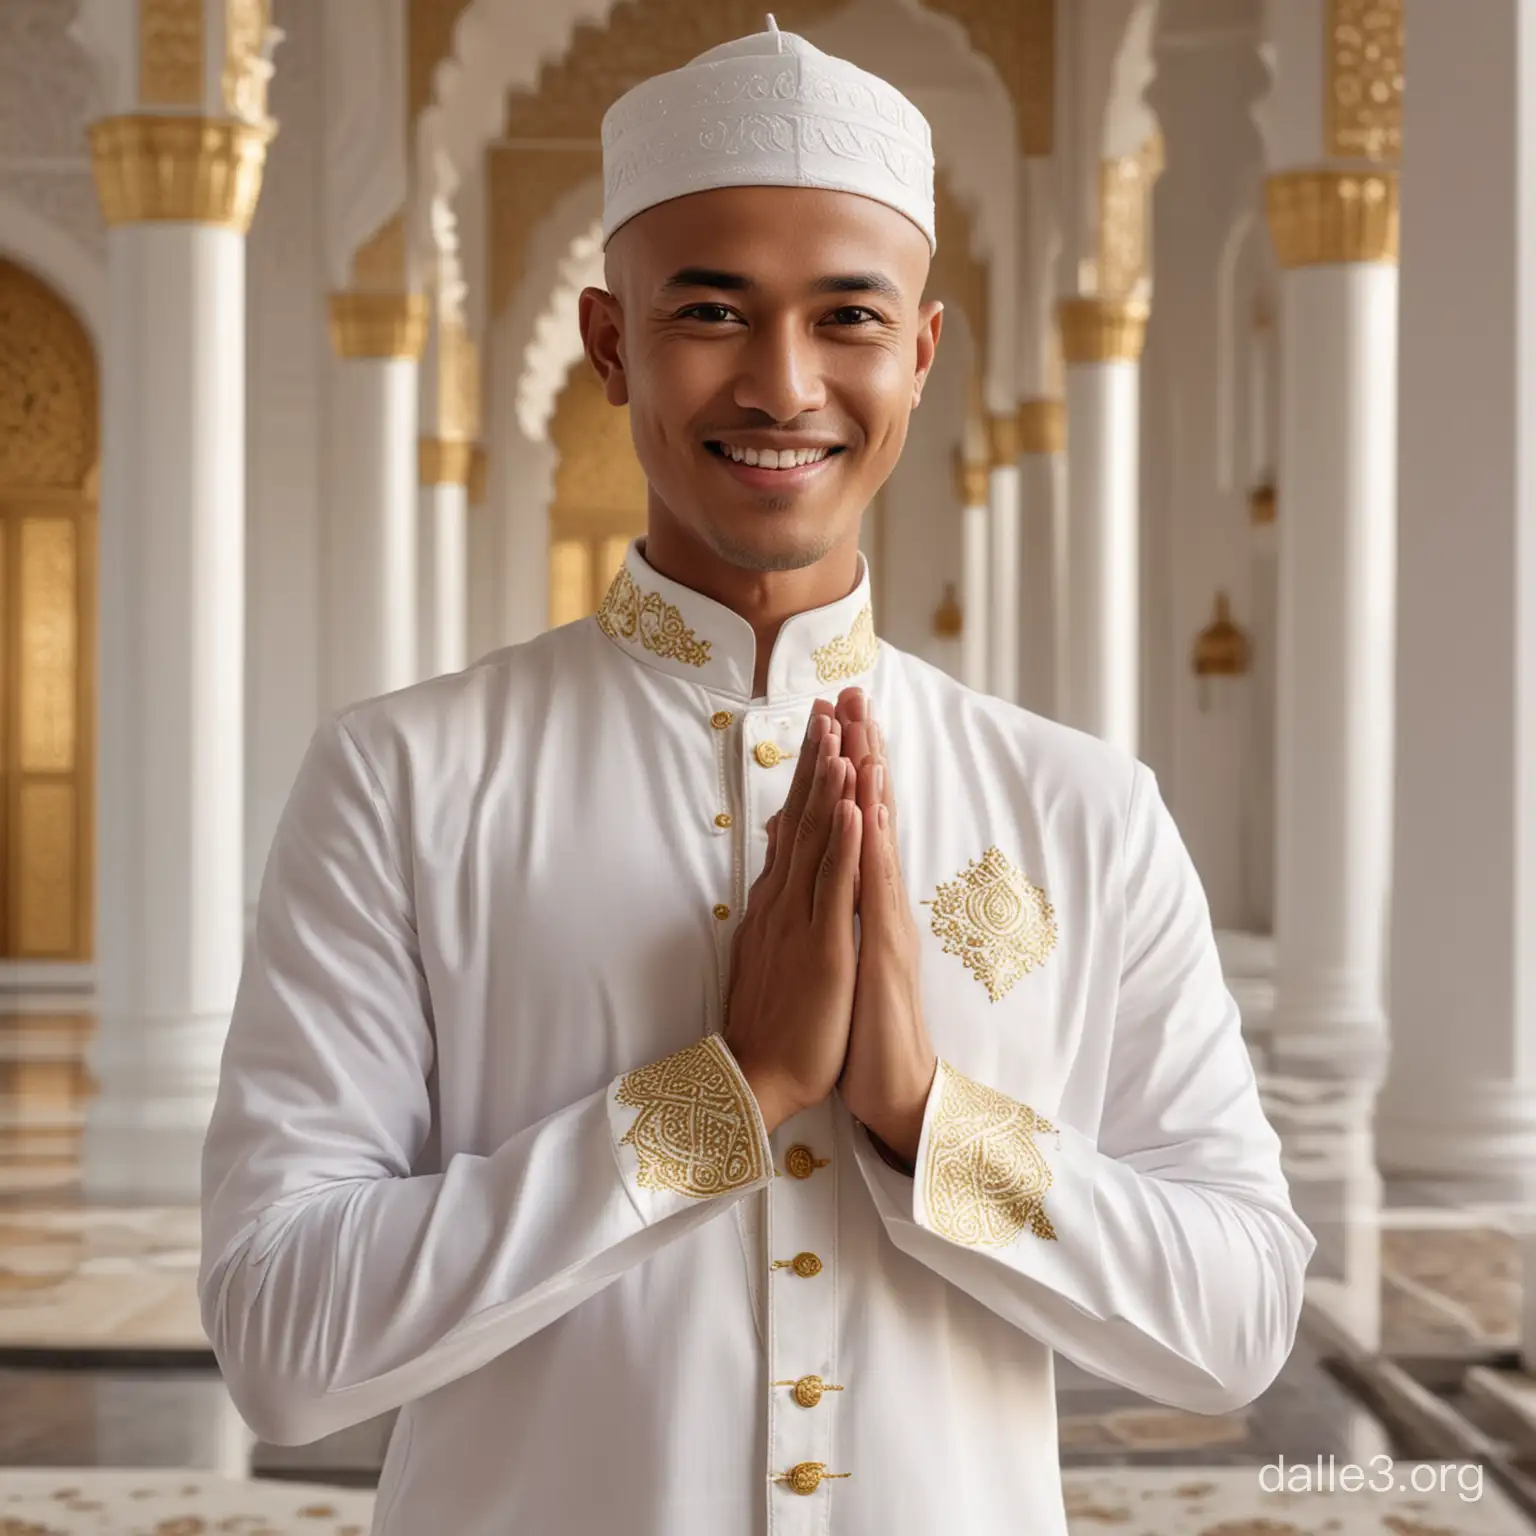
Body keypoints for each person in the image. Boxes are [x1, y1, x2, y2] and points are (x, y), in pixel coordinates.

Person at [199, 16, 1315, 1535]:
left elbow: (1242, 1317)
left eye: (848, 317)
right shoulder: (407, 782)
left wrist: (931, 1122)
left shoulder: (1083, 812)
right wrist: (707, 1107)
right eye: (712, 310)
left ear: (920, 355)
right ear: (611, 343)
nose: (782, 383)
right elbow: (280, 1340)